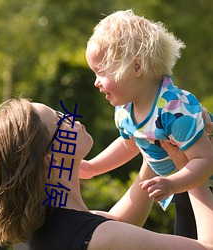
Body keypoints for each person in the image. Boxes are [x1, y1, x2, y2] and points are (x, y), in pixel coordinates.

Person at [0, 98, 213, 250]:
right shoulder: (100, 237)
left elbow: (119, 221)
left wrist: (153, 138)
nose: (71, 117)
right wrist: (189, 165)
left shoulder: (37, 233)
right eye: (60, 120)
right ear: (53, 159)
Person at [82, 9, 213, 238]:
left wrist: (172, 184)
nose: (96, 82)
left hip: (202, 185)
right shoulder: (125, 110)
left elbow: (205, 160)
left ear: (136, 67)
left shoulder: (174, 109)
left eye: (101, 72)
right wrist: (93, 167)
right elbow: (129, 145)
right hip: (183, 188)